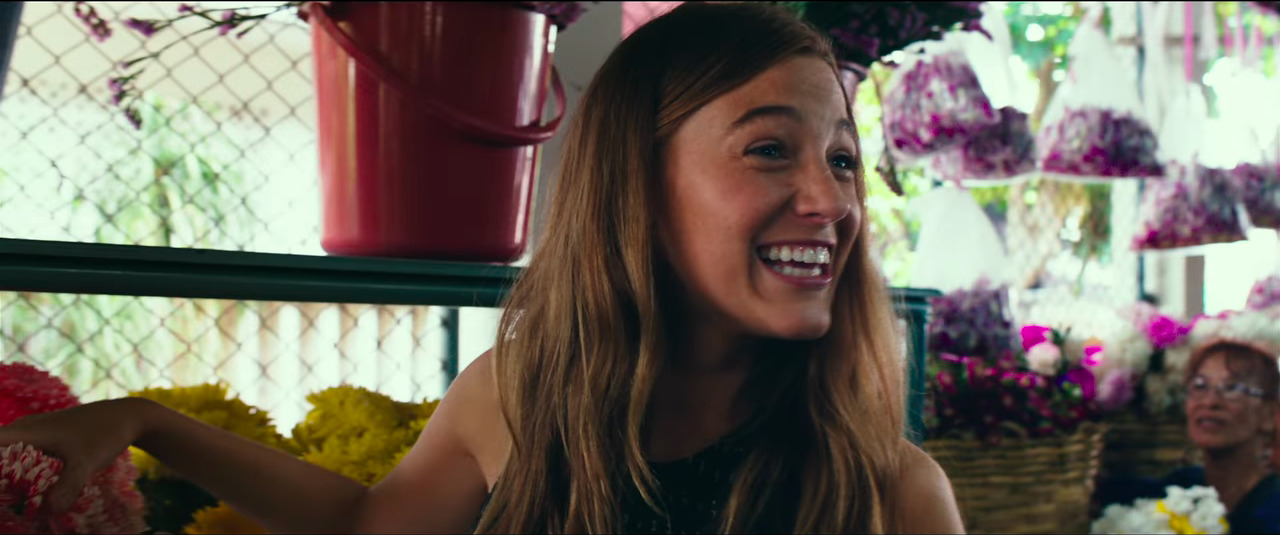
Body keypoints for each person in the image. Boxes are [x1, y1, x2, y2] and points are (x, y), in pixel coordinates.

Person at [0, 3, 963, 533]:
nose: (833, 201)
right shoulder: (518, 396)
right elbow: (371, 528)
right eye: (769, 150)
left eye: (842, 158)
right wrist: (144, 423)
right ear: (637, 184)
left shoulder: (890, 494)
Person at [1098, 337, 1280, 534]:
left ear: (1269, 415)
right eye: (1200, 386)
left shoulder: (1273, 504)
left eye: (1232, 388)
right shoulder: (1181, 488)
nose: (1210, 402)